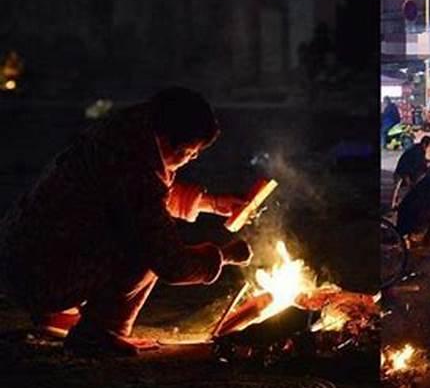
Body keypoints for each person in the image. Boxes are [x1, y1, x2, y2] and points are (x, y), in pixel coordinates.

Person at [0, 87, 253, 356]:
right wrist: (222, 256)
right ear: (167, 140)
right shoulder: (133, 164)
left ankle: (59, 315)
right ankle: (99, 333)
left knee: (139, 228)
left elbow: (145, 197)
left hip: (20, 258)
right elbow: (169, 261)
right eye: (190, 152)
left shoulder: (127, 136)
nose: (192, 159)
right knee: (148, 243)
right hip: (37, 273)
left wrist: (212, 203)